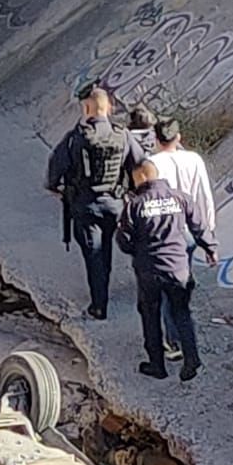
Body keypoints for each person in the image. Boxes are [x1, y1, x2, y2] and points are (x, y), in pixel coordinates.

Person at [44, 86, 145, 319]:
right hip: (115, 205)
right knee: (106, 247)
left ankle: (99, 305)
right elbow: (140, 164)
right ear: (108, 108)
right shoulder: (122, 135)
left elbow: (55, 167)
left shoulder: (76, 138)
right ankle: (118, 288)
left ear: (87, 108)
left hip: (86, 206)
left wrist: (55, 188)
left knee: (94, 253)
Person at [116, 161, 216, 381]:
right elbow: (199, 227)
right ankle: (191, 360)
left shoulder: (135, 205)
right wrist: (211, 249)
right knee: (181, 313)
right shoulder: (180, 198)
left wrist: (138, 251)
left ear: (141, 177)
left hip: (149, 270)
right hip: (178, 268)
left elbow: (124, 241)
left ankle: (157, 365)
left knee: (150, 315)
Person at [147, 118, 217, 362]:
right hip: (189, 232)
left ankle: (174, 340)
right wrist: (209, 236)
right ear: (178, 138)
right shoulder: (194, 160)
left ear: (156, 139)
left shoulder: (151, 164)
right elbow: (204, 196)